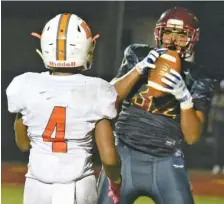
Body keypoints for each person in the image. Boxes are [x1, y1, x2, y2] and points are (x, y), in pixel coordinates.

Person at [97, 7, 215, 204]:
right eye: (168, 32)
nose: (173, 40)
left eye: (181, 35)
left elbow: (193, 137)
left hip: (166, 161)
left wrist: (185, 99)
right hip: (124, 156)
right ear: (159, 33)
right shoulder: (138, 54)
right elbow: (106, 100)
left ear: (192, 39)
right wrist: (138, 69)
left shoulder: (198, 77)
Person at [6, 13, 121, 204]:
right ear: (86, 47)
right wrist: (116, 180)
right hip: (78, 185)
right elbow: (108, 158)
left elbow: (23, 144)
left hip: (37, 186)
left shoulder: (25, 84)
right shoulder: (98, 89)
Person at [209, 80, 224, 175]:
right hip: (218, 124)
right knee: (218, 145)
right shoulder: (216, 98)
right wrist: (210, 126)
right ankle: (217, 165)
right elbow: (212, 113)